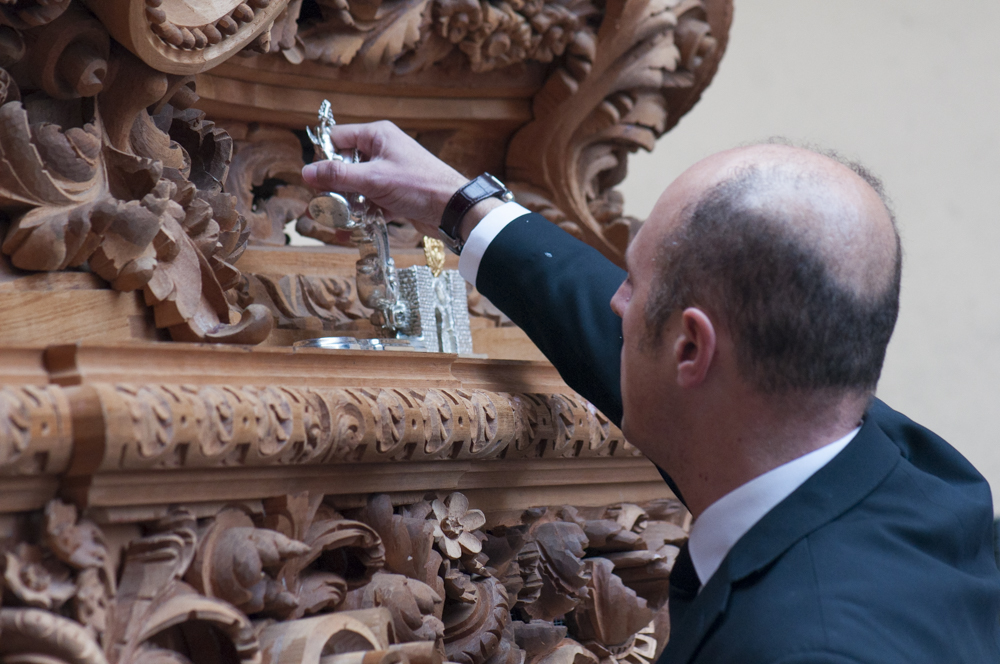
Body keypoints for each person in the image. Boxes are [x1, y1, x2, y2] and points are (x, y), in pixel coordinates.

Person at [302, 122, 1000, 663]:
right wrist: (461, 206)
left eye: (633, 285)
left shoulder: (799, 646)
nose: (617, 304)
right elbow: (636, 348)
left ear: (691, 350)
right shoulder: (917, 478)